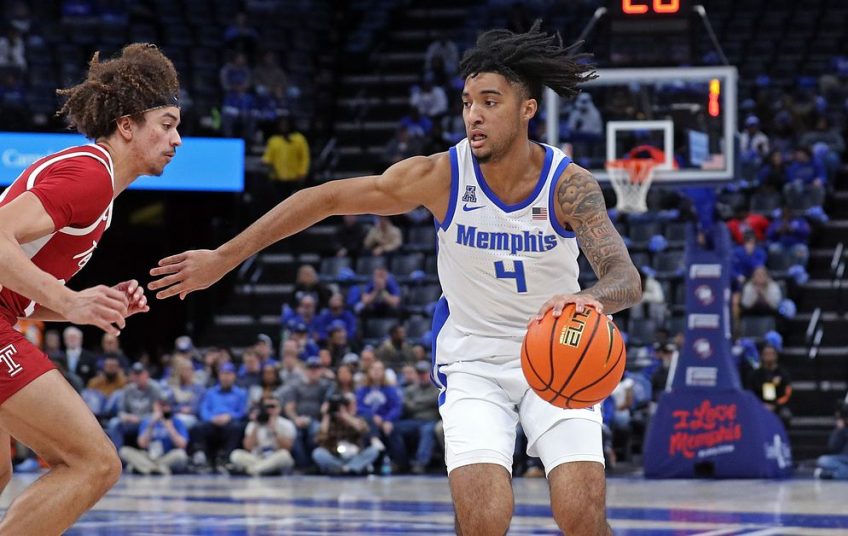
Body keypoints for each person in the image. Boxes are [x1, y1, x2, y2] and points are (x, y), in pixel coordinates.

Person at [149, 24, 636, 534]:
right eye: (468, 102)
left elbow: (624, 277)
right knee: (485, 519)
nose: (474, 114)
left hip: (560, 349)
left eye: (490, 102)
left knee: (581, 515)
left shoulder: (568, 185)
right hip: (473, 360)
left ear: (527, 109)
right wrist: (224, 257)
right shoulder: (442, 176)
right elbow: (325, 198)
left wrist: (590, 299)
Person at [0, 42, 179, 533]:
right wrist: (69, 298)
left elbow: (15, 293)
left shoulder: (100, 190)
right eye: (166, 124)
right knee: (94, 462)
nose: (177, 139)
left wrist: (88, 306)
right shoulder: (91, 175)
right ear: (127, 126)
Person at [117, 396, 189, 475]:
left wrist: (170, 428)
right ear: (154, 406)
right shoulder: (147, 421)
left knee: (181, 455)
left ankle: (145, 468)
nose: (161, 409)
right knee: (124, 451)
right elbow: (142, 444)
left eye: (164, 405)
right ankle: (158, 469)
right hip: (148, 456)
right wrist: (151, 425)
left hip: (166, 457)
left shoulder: (176, 421)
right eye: (159, 405)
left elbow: (182, 445)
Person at [229, 395, 296, 476]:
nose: (270, 409)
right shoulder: (253, 424)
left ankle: (252, 470)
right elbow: (248, 447)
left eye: (273, 406)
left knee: (285, 455)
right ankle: (263, 469)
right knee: (235, 454)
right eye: (267, 407)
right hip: (257, 457)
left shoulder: (286, 424)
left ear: (279, 408)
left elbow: (287, 447)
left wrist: (274, 430)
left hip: (275, 457)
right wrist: (256, 426)